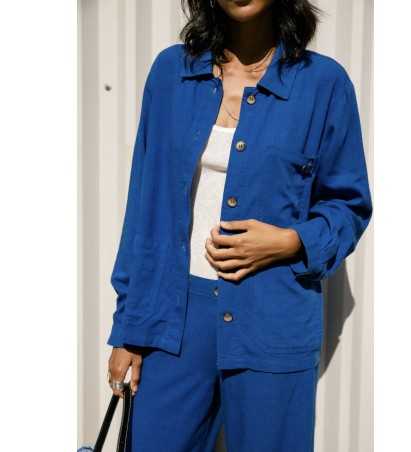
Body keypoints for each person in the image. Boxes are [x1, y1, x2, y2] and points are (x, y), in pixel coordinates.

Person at [106, 0, 373, 450]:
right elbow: (143, 208)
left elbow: (349, 204)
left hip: (272, 317)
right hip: (170, 320)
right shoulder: (171, 73)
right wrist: (128, 329)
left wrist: (291, 241)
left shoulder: (323, 84)